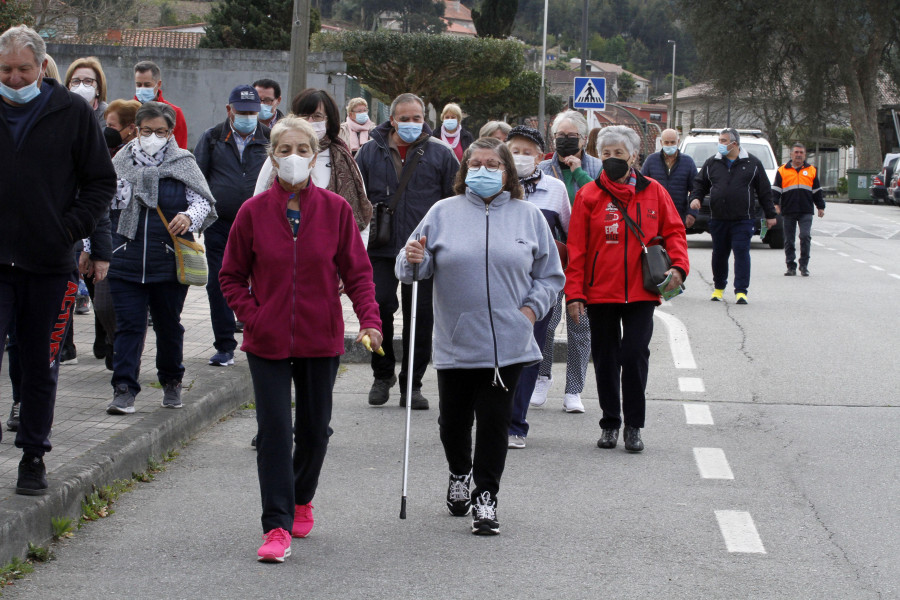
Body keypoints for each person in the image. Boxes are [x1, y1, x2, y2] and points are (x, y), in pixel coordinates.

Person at [220, 116, 382, 563]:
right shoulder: (252, 213)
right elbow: (231, 276)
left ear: (315, 157)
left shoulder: (335, 210)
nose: (294, 157)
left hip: (320, 336)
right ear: (272, 156)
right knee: (273, 431)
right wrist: (254, 316)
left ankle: (301, 496)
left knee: (314, 430)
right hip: (266, 341)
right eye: (285, 149)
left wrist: (370, 321)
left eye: (303, 150)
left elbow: (358, 274)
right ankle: (276, 525)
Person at [398, 137, 563, 535]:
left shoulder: (529, 216)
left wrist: (528, 312)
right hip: (457, 342)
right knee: (452, 423)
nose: (484, 170)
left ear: (507, 173)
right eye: (476, 163)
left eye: (493, 164)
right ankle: (459, 472)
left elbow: (550, 275)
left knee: (494, 423)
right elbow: (411, 271)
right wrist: (412, 258)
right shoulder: (442, 212)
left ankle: (486, 497)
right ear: (464, 170)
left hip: (508, 344)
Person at [0, 25, 115, 494]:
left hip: (49, 266)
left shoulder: (71, 113)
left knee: (40, 364)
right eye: (5, 70)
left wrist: (69, 229)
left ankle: (33, 455)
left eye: (22, 69)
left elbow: (100, 183)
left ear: (42, 67)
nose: (13, 78)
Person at [566, 126, 689, 452]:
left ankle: (634, 425)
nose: (611, 160)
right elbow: (577, 249)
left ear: (634, 157)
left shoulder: (655, 193)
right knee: (605, 359)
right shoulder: (588, 195)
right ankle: (610, 423)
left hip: (641, 293)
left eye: (618, 154)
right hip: (600, 293)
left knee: (634, 355)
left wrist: (678, 266)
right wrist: (574, 294)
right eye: (605, 154)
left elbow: (675, 232)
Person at [106, 101, 217, 415]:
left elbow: (204, 203)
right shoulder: (121, 161)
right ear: (135, 131)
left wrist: (188, 217)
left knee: (168, 326)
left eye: (160, 131)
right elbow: (103, 205)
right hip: (124, 258)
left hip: (168, 261)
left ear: (171, 133)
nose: (153, 137)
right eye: (146, 131)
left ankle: (171, 380)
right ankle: (124, 388)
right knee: (129, 326)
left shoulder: (183, 162)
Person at [356, 92, 459, 410]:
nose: (411, 123)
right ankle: (382, 375)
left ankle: (412, 384)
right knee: (380, 307)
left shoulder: (441, 153)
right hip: (380, 249)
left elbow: (453, 201)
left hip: (423, 251)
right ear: (392, 119)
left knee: (422, 317)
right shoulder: (369, 153)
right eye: (405, 118)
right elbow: (356, 200)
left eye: (417, 118)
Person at [194, 85, 270, 368]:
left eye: (253, 112)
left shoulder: (269, 139)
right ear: (229, 110)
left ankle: (258, 337)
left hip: (261, 225)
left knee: (261, 282)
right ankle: (224, 345)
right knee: (220, 284)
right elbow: (198, 178)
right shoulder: (213, 138)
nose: (248, 117)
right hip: (220, 225)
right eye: (242, 112)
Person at [505, 125, 570, 449]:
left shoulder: (556, 190)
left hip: (539, 288)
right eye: (514, 151)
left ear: (541, 157)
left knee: (529, 352)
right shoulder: (494, 187)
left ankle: (516, 423)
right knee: (497, 352)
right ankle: (494, 416)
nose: (520, 157)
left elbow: (568, 233)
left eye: (527, 152)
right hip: (501, 283)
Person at [533, 110, 602, 413]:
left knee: (580, 325)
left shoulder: (598, 168)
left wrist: (578, 173)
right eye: (560, 136)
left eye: (571, 136)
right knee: (546, 323)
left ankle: (574, 389)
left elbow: (602, 204)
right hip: (552, 256)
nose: (565, 140)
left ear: (584, 139)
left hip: (587, 260)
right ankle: (541, 376)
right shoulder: (542, 169)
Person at [254, 89, 372, 245]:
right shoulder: (278, 157)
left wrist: (356, 260)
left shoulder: (344, 161)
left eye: (317, 116)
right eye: (304, 116)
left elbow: (361, 217)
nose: (309, 122)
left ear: (329, 120)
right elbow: (257, 205)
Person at [690, 128, 776, 304]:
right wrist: (695, 198)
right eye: (720, 141)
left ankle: (741, 291)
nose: (720, 144)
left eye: (723, 141)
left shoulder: (752, 163)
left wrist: (770, 214)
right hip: (718, 219)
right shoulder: (712, 163)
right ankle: (719, 288)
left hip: (742, 219)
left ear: (734, 144)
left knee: (741, 253)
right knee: (719, 255)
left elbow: (765, 191)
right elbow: (699, 184)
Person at [772, 142, 825, 276]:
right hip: (788, 210)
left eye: (801, 153)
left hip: (806, 210)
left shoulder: (812, 170)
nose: (798, 155)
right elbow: (776, 190)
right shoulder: (782, 170)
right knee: (789, 239)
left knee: (805, 236)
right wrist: (775, 204)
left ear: (805, 154)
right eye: (796, 152)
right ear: (791, 154)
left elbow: (817, 191)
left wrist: (820, 206)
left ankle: (804, 266)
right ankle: (791, 266)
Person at [641, 128, 698, 227]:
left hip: (678, 214)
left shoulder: (688, 162)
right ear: (661, 142)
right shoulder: (651, 161)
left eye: (672, 142)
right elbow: (641, 185)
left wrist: (692, 213)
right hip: (654, 214)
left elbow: (696, 189)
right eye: (666, 142)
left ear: (678, 141)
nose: (669, 145)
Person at [133, 60, 187, 148]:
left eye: (147, 85)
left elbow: (180, 149)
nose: (142, 89)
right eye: (138, 85)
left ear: (158, 84)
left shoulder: (175, 113)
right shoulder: (126, 111)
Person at [64, 56, 107, 124]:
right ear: (68, 86)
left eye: (88, 81)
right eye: (76, 81)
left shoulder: (107, 116)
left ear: (98, 88)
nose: (81, 86)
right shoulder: (60, 112)